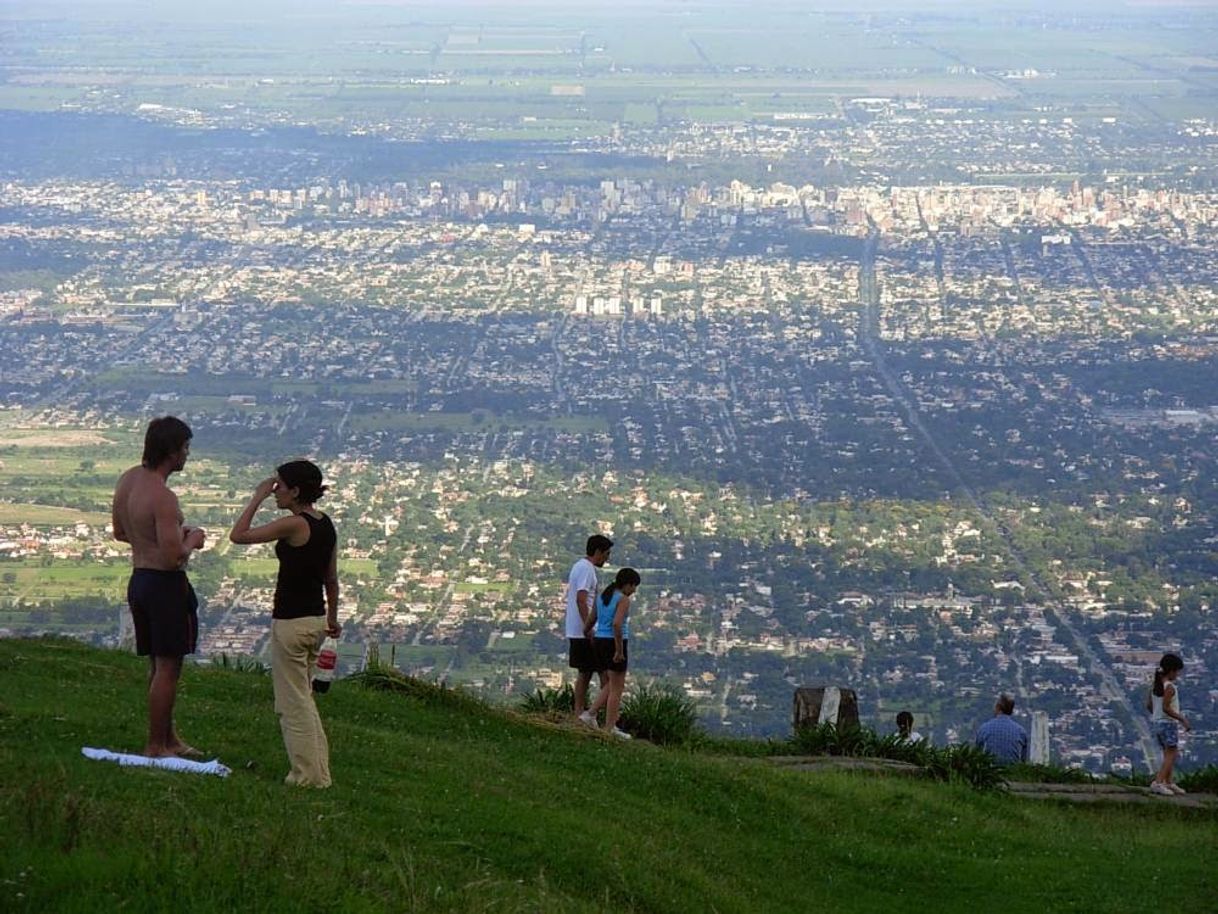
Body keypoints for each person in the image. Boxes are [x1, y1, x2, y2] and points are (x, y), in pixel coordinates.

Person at [230, 460, 340, 788]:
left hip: (291, 622)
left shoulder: (294, 525)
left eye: (279, 485)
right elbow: (331, 579)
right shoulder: (325, 524)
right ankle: (319, 773)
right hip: (316, 619)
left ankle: (306, 777)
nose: (275, 489)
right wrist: (332, 619)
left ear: (295, 491)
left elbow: (239, 535)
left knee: (293, 704)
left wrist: (257, 498)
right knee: (304, 698)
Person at [111, 416, 206, 758]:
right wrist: (192, 539)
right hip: (165, 586)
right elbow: (172, 558)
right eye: (185, 448)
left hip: (139, 581)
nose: (187, 455)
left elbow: (120, 532)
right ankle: (156, 745)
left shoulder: (128, 481)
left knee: (158, 663)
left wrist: (153, 540)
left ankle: (168, 739)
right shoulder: (163, 497)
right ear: (171, 451)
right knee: (169, 668)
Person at [585, 567, 641, 739]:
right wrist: (619, 650)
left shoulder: (603, 597)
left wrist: (588, 633)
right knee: (617, 688)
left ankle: (590, 714)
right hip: (614, 642)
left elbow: (591, 619)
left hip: (600, 640)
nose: (634, 591)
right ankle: (610, 728)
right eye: (634, 586)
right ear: (627, 585)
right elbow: (617, 624)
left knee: (610, 684)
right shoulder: (623, 600)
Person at [566, 534, 612, 722]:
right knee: (606, 674)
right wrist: (588, 627)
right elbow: (581, 598)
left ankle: (580, 713)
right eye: (606, 554)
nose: (607, 558)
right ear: (598, 552)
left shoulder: (578, 566)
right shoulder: (587, 570)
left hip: (575, 629)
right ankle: (598, 714)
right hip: (584, 631)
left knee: (585, 673)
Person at [1147, 653, 1190, 796]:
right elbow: (1166, 707)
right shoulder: (1170, 687)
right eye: (1177, 671)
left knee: (1167, 753)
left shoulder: (1155, 686)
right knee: (1172, 753)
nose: (1178, 674)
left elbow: (1149, 705)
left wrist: (1156, 714)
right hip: (1167, 724)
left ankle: (1168, 782)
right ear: (1171, 671)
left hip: (1156, 722)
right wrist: (1181, 719)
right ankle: (1158, 782)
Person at [974, 694, 1028, 765]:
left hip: (990, 771)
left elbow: (977, 753)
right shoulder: (1021, 731)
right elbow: (1023, 760)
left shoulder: (984, 728)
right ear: (1011, 710)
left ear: (998, 707)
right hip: (1013, 772)